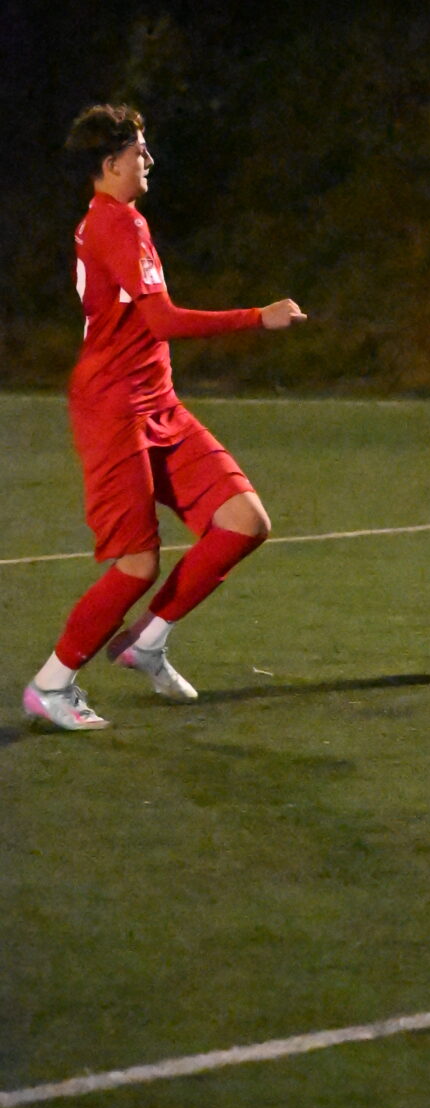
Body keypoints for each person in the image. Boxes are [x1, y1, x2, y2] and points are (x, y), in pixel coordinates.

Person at [22, 105, 306, 732]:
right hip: (114, 408)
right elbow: (164, 321)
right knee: (136, 564)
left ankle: (146, 642)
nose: (148, 159)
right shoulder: (116, 223)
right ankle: (51, 683)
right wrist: (257, 318)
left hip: (157, 402)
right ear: (111, 162)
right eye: (139, 151)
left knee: (243, 521)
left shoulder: (119, 220)